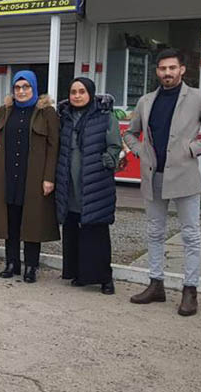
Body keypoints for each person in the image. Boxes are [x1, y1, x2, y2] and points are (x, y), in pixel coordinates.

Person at [125, 48, 201, 316]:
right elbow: (131, 133)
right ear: (157, 71)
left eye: (172, 68)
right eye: (162, 69)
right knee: (154, 232)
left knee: (190, 235)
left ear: (182, 69)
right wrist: (140, 151)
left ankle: (190, 290)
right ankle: (156, 284)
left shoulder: (198, 99)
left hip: (184, 177)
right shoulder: (147, 101)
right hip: (154, 177)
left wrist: (193, 149)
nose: (167, 73)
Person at [0, 70, 59, 283]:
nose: (21, 91)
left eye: (26, 87)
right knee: (11, 220)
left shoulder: (47, 113)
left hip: (33, 176)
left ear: (34, 88)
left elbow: (54, 147)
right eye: (17, 87)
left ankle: (31, 266)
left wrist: (49, 177)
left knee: (32, 221)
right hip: (9, 174)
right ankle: (12, 262)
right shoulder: (5, 111)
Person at [55, 77, 121, 295]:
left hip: (95, 180)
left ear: (90, 93)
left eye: (81, 91)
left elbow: (114, 145)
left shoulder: (104, 116)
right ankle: (80, 275)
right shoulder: (65, 116)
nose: (77, 96)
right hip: (69, 181)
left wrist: (106, 162)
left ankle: (104, 278)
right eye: (73, 92)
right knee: (73, 228)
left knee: (96, 231)